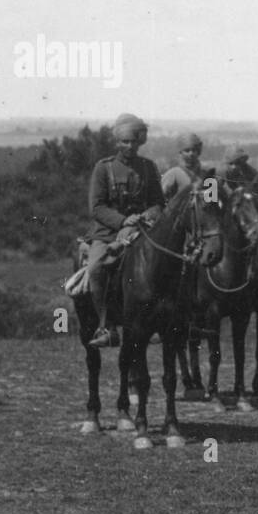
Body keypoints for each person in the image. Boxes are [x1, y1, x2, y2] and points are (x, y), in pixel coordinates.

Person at [85, 113, 164, 347]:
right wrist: (123, 221)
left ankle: (160, 322)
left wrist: (146, 215)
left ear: (141, 141)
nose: (130, 146)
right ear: (117, 142)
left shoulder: (148, 168)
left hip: (143, 230)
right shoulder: (103, 168)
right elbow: (97, 207)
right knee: (96, 268)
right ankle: (106, 326)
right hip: (109, 232)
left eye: (134, 141)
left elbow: (158, 202)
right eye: (124, 142)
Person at [161, 131, 213, 198]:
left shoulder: (205, 174)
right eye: (187, 150)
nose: (191, 153)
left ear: (198, 152)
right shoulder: (173, 174)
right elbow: (160, 197)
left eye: (194, 150)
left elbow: (213, 199)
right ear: (181, 152)